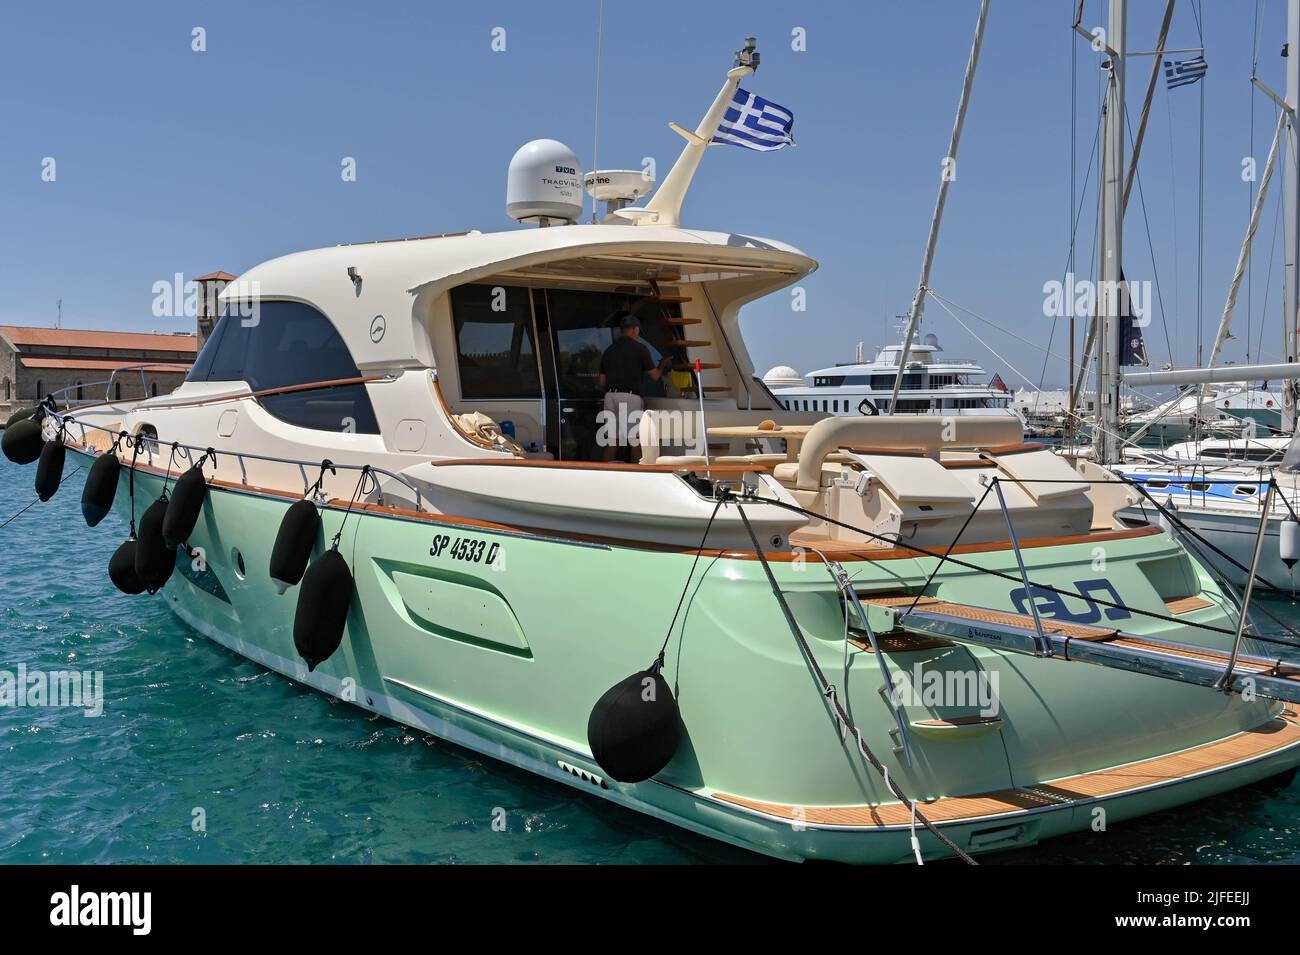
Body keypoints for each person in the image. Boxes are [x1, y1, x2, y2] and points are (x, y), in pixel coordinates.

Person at [599, 313, 671, 462]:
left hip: (610, 396)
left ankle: (604, 473)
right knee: (634, 439)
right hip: (630, 396)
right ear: (635, 329)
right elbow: (655, 376)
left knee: (612, 440)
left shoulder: (609, 350)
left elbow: (602, 382)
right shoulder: (640, 348)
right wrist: (663, 364)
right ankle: (636, 473)